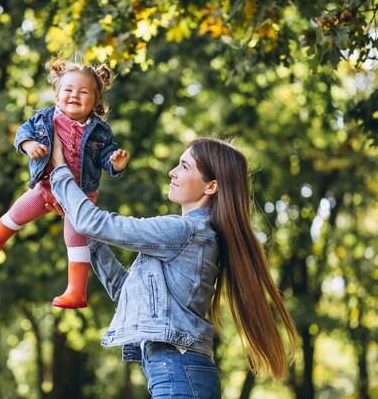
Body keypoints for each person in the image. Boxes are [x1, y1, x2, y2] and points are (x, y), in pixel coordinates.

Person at [46, 134, 297, 398]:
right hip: (179, 373)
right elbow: (125, 291)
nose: (172, 172)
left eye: (184, 166)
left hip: (180, 374)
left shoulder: (185, 231)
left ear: (211, 186)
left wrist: (62, 170)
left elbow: (94, 222)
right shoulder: (191, 235)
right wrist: (83, 231)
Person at [0, 57, 130, 309]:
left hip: (80, 196)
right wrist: (29, 145)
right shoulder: (45, 119)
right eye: (68, 90)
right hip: (46, 187)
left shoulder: (100, 131)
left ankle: (76, 291)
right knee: (16, 213)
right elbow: (23, 133)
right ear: (57, 96)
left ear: (96, 102)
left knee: (74, 239)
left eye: (83, 92)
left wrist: (115, 163)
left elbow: (105, 156)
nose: (75, 95)